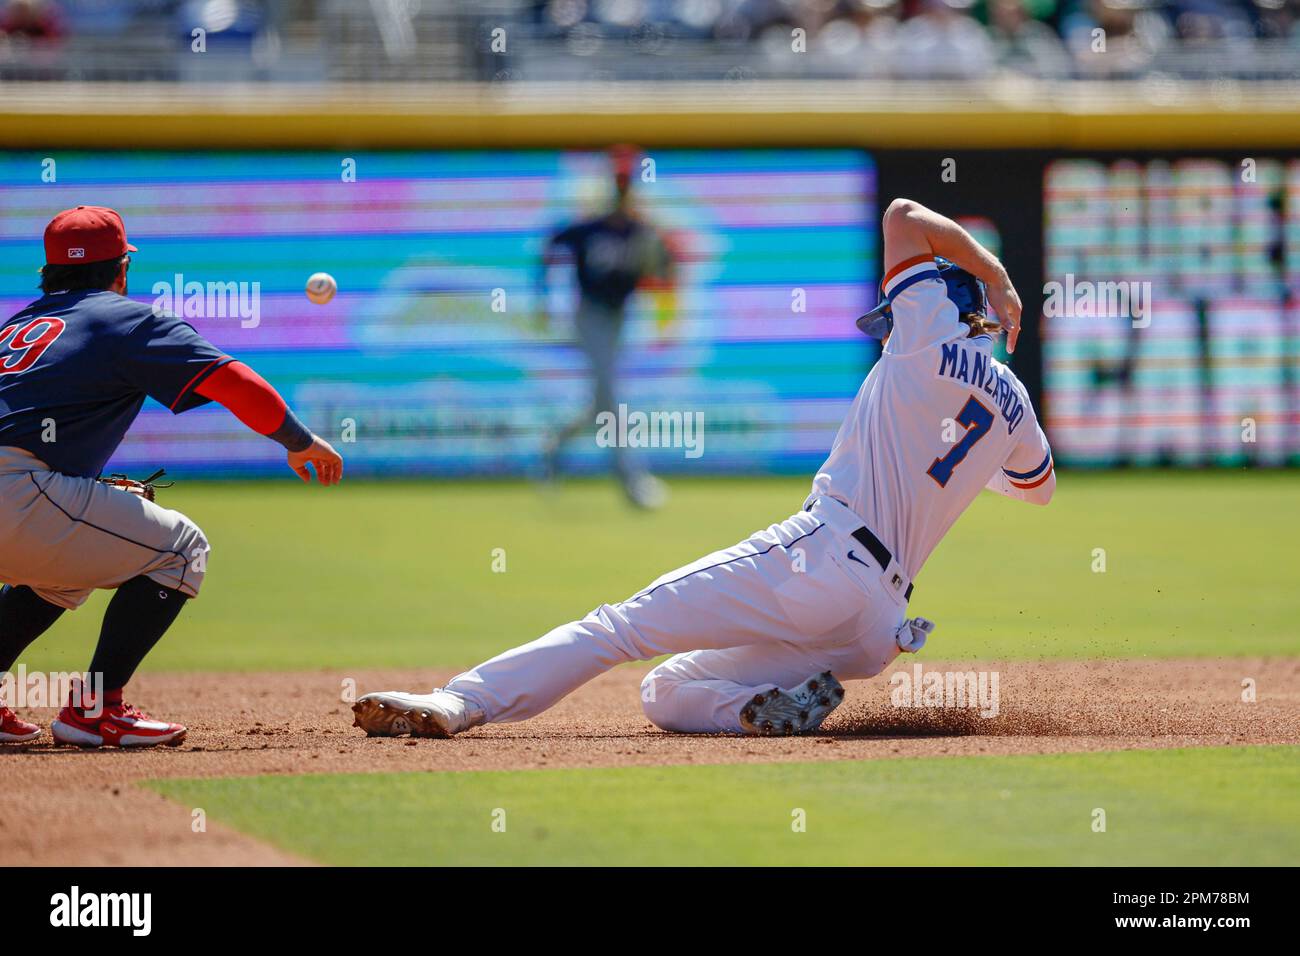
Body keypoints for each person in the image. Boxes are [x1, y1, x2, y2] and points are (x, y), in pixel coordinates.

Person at [352, 198, 1053, 739]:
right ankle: (761, 710)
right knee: (668, 690)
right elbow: (1037, 488)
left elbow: (904, 216)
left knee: (617, 627)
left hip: (823, 558)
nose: (889, 329)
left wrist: (995, 274)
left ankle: (457, 701)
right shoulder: (1016, 403)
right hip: (876, 629)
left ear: (941, 303)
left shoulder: (922, 340)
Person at [0, 205, 343, 747]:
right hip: (18, 495)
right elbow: (234, 382)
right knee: (182, 548)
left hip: (21, 494)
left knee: (63, 570)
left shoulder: (18, 328)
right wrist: (300, 442)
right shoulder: (126, 320)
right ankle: (95, 710)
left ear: (49, 272)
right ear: (121, 269)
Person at [536, 145, 677, 509]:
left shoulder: (639, 231)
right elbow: (550, 246)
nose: (621, 192)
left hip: (619, 318)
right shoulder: (591, 227)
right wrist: (541, 298)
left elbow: (664, 267)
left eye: (626, 186)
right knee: (612, 400)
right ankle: (633, 485)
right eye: (618, 185)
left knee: (601, 401)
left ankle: (554, 447)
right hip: (589, 317)